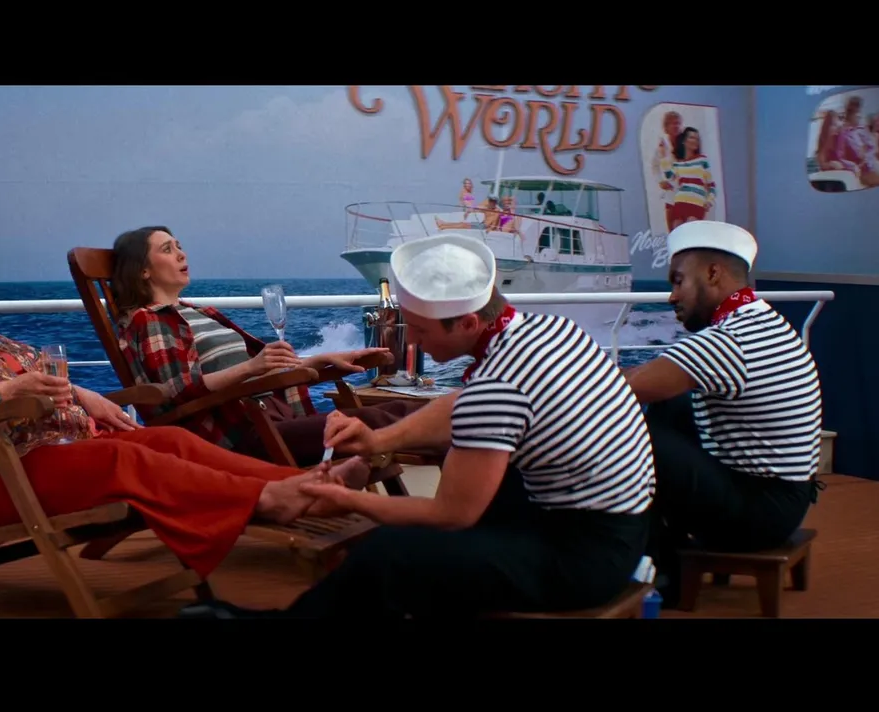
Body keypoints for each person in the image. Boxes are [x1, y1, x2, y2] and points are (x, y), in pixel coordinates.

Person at [179, 233, 657, 618]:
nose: (415, 344)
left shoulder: (498, 383)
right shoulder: (544, 331)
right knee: (452, 490)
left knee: (389, 552)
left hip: (582, 560)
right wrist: (376, 440)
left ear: (467, 323)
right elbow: (461, 406)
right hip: (622, 530)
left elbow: (453, 514)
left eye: (422, 331)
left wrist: (348, 500)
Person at [0, 237, 373, 580]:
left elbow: (46, 376)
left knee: (168, 440)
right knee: (125, 459)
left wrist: (86, 395)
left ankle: (306, 485)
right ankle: (275, 500)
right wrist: (0, 396)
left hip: (52, 454)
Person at [620, 220, 823, 604]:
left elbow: (618, 387)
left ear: (713, 274)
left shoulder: (730, 340)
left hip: (759, 513)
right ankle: (663, 555)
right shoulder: (762, 320)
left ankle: (660, 573)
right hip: (786, 499)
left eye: (678, 281)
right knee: (669, 407)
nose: (672, 296)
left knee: (631, 439)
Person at [110, 225, 428, 467]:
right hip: (241, 437)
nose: (182, 254)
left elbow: (258, 372)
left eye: (179, 246)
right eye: (167, 249)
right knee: (373, 421)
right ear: (143, 270)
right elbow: (176, 391)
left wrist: (319, 361)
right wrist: (252, 366)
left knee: (394, 410)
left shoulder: (198, 312)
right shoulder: (148, 320)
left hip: (273, 417)